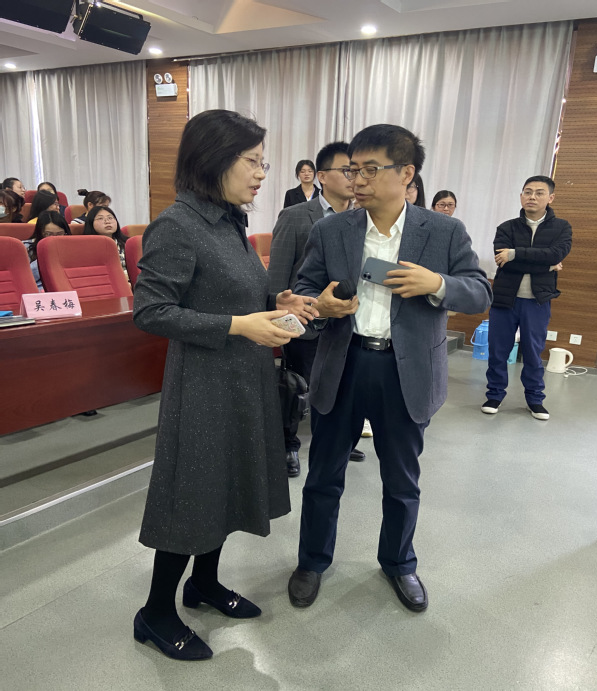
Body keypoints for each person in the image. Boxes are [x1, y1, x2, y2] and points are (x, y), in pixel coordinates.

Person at [131, 109, 318, 662]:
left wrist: (277, 302)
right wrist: (238, 325)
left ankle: (204, 584)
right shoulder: (177, 225)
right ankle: (155, 611)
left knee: (228, 485)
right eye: (252, 161)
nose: (261, 173)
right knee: (192, 495)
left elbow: (233, 293)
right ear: (214, 160)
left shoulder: (229, 222)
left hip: (243, 380)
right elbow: (151, 311)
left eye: (264, 163)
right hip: (203, 388)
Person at [287, 124, 491, 613]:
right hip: (344, 362)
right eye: (353, 169)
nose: (357, 180)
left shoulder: (443, 231)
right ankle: (311, 561)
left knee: (402, 481)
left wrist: (436, 284)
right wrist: (320, 306)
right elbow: (305, 289)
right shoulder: (331, 230)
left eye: (370, 170)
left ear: (406, 174)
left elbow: (480, 291)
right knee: (323, 475)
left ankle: (399, 563)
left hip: (406, 371)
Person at [268, 141, 365, 477]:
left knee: (345, 386)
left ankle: (342, 440)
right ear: (322, 176)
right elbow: (277, 279)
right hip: (305, 320)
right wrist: (285, 322)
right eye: (347, 170)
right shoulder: (296, 216)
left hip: (347, 323)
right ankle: (288, 445)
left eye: (358, 171)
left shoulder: (362, 219)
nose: (354, 178)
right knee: (296, 386)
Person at [481, 175, 572, 420]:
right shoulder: (506, 227)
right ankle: (494, 395)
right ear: (521, 196)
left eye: (539, 193)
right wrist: (547, 266)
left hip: (537, 301)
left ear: (550, 198)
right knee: (498, 351)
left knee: (533, 352)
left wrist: (515, 253)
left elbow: (556, 254)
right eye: (527, 192)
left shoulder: (561, 228)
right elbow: (504, 262)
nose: (532, 197)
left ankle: (535, 399)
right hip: (504, 299)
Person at [25, 211, 71, 289]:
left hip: (66, 286)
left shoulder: (70, 247)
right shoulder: (25, 248)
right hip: (38, 288)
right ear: (40, 233)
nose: (54, 238)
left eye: (59, 233)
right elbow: (26, 278)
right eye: (49, 234)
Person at [83, 205, 128, 270]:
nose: (107, 222)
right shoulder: (86, 248)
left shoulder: (127, 243)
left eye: (110, 218)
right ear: (91, 223)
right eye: (100, 218)